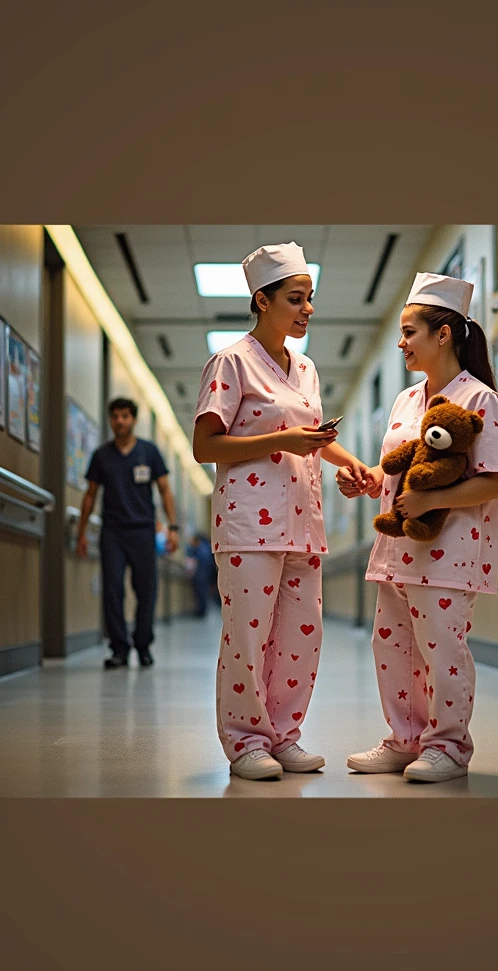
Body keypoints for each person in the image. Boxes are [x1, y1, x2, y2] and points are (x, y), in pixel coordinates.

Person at [192, 242, 371, 781]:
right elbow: (205, 447)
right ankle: (246, 742)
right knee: (248, 637)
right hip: (248, 523)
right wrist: (283, 438)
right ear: (261, 300)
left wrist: (351, 462)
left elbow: (309, 439)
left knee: (299, 637)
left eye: (310, 298)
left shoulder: (308, 368)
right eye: (296, 298)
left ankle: (283, 736)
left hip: (304, 523)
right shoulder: (232, 362)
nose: (307, 309)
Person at [338, 272, 498, 783]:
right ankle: (404, 740)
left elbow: (494, 484)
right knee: (391, 648)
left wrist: (431, 499)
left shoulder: (480, 400)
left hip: (450, 551)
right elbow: (398, 467)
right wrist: (369, 480)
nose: (401, 343)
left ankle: (449, 748)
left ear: (443, 334)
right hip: (397, 549)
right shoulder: (405, 401)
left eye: (409, 332)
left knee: (441, 651)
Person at [76, 397, 179, 669]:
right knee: (112, 589)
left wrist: (172, 527)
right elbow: (90, 494)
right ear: (110, 420)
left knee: (146, 590)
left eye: (125, 416)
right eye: (115, 416)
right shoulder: (102, 455)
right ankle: (119, 649)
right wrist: (81, 532)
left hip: (143, 530)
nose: (120, 421)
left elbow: (165, 489)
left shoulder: (149, 452)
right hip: (113, 532)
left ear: (133, 420)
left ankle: (143, 645)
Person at [185, 532, 218, 617]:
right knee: (202, 592)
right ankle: (201, 610)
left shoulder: (202, 549)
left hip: (202, 574)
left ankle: (201, 611)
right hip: (205, 574)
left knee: (201, 592)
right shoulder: (205, 548)